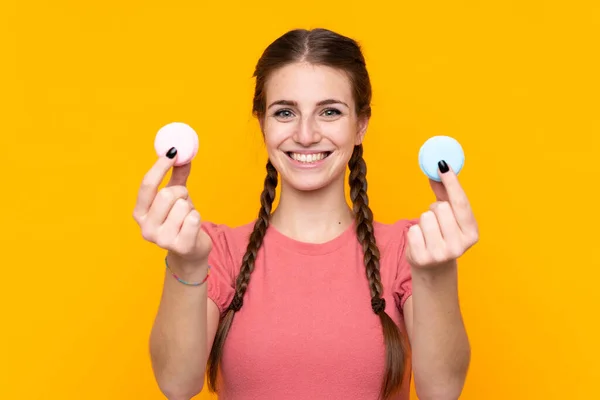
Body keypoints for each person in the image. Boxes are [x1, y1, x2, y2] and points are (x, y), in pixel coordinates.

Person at [133, 28, 478, 400]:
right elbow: (176, 385)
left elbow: (442, 391)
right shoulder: (216, 252)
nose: (307, 134)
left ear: (361, 125)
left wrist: (436, 273)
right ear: (263, 123)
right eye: (285, 112)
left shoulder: (410, 251)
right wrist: (185, 264)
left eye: (329, 112)